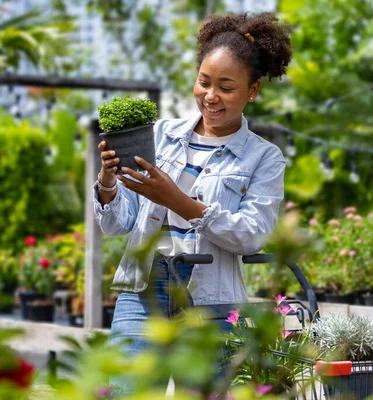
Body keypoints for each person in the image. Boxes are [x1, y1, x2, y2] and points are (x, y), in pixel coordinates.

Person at [93, 11, 292, 388]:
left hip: (210, 301)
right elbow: (117, 223)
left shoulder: (263, 157)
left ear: (252, 91)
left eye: (226, 87)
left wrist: (179, 200)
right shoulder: (162, 135)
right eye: (204, 82)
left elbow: (253, 234)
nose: (210, 96)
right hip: (143, 291)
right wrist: (107, 183)